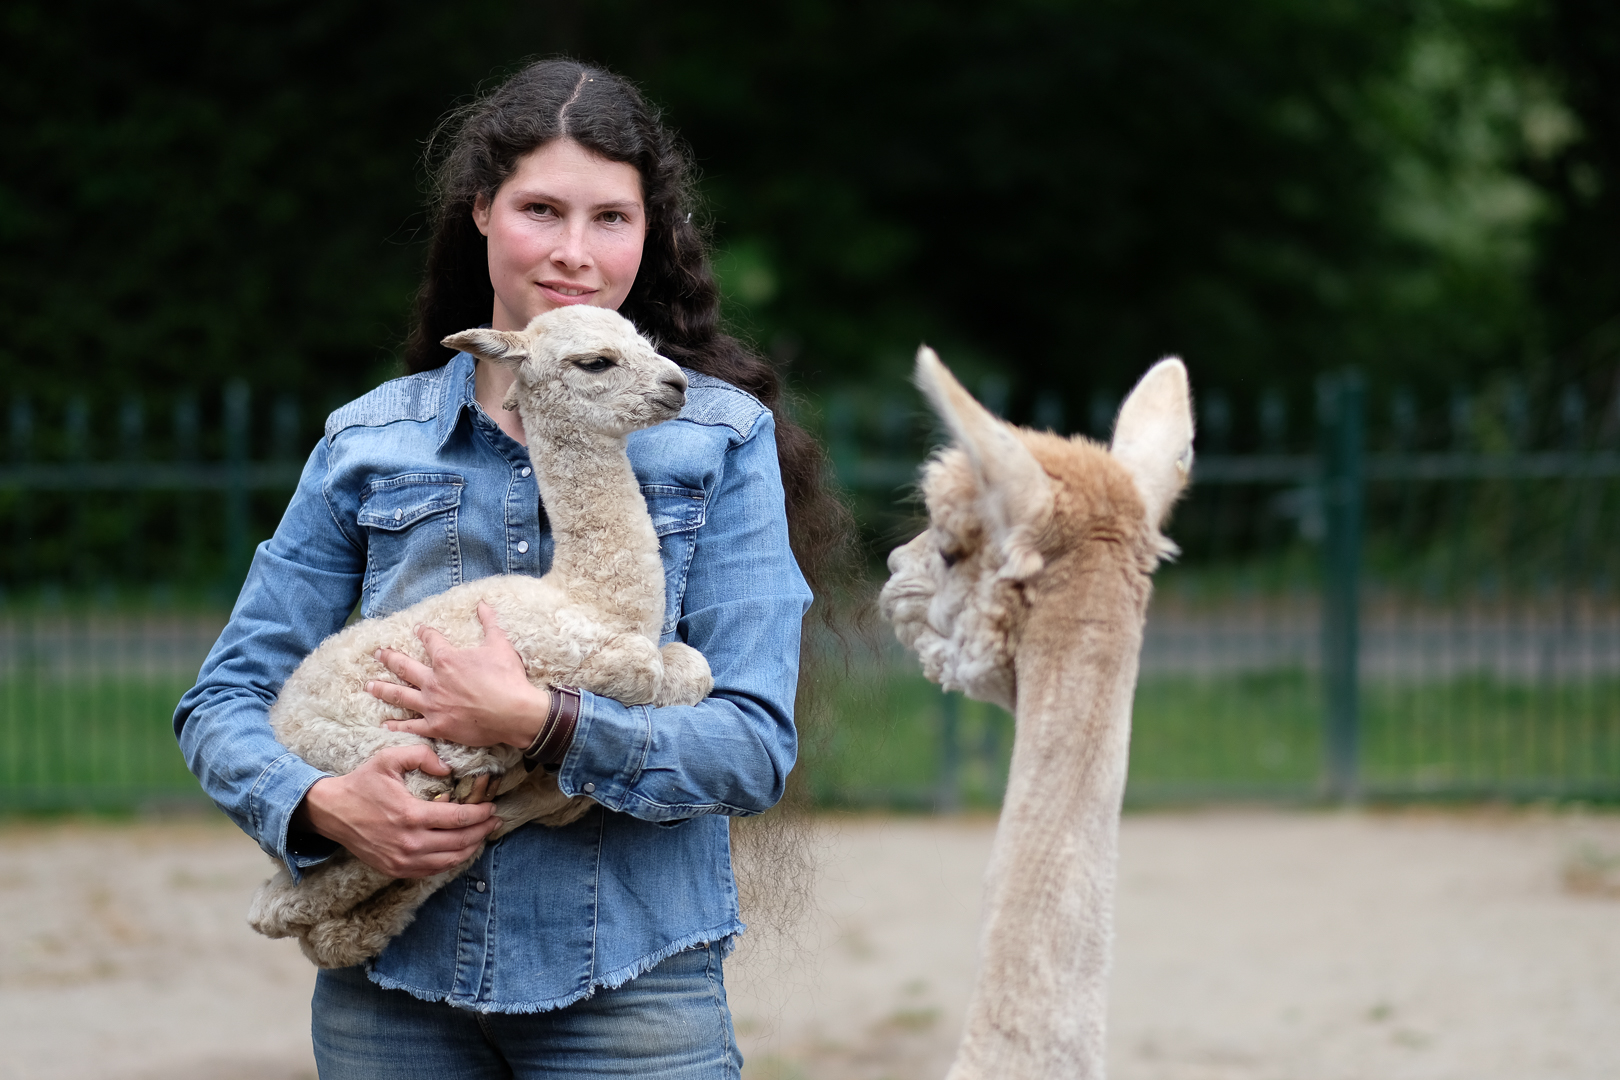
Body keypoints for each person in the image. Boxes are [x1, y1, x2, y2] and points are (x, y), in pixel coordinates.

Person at [174, 58, 847, 1079]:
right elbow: (224, 698)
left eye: (611, 219)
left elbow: (750, 746)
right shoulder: (370, 443)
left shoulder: (718, 442)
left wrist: (548, 725)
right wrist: (321, 805)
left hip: (631, 994)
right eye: (541, 209)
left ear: (651, 233)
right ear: (482, 211)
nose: (575, 253)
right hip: (394, 1000)